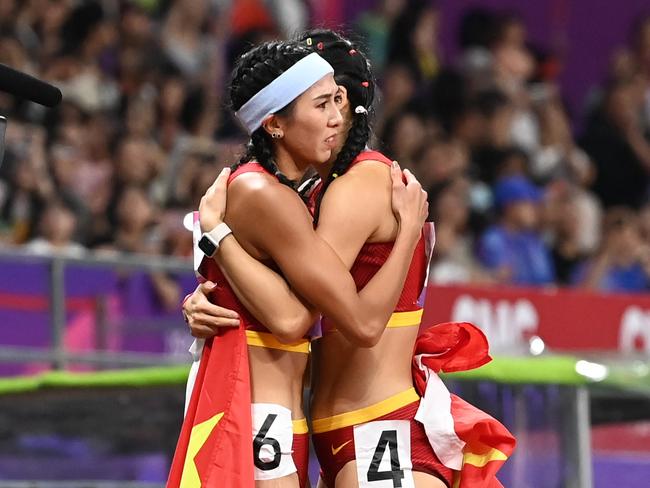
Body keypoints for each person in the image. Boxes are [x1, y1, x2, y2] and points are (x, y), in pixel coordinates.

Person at [186, 30, 515, 487]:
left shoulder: (350, 186)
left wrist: (215, 239)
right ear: (276, 121)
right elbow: (292, 304)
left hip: (369, 426)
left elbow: (323, 318)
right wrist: (208, 281)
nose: (334, 116)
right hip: (335, 426)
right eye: (321, 105)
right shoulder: (300, 192)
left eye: (335, 101)